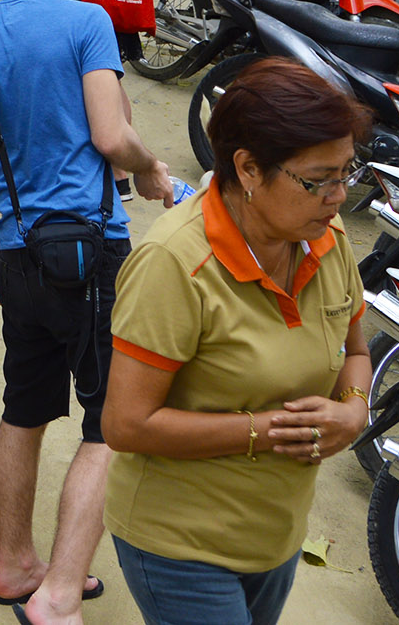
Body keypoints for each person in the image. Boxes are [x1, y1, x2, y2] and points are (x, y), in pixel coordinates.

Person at [0, 0, 174, 625]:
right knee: (113, 422)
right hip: (93, 248)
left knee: (25, 408)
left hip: (17, 252)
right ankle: (60, 589)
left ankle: (16, 564)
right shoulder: (86, 21)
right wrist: (152, 168)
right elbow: (112, 134)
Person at [102, 59, 374, 625]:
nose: (339, 196)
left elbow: (354, 351)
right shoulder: (174, 265)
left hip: (274, 535)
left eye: (347, 173)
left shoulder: (325, 236)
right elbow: (126, 425)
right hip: (182, 543)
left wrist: (354, 411)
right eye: (318, 179)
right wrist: (266, 430)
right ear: (248, 168)